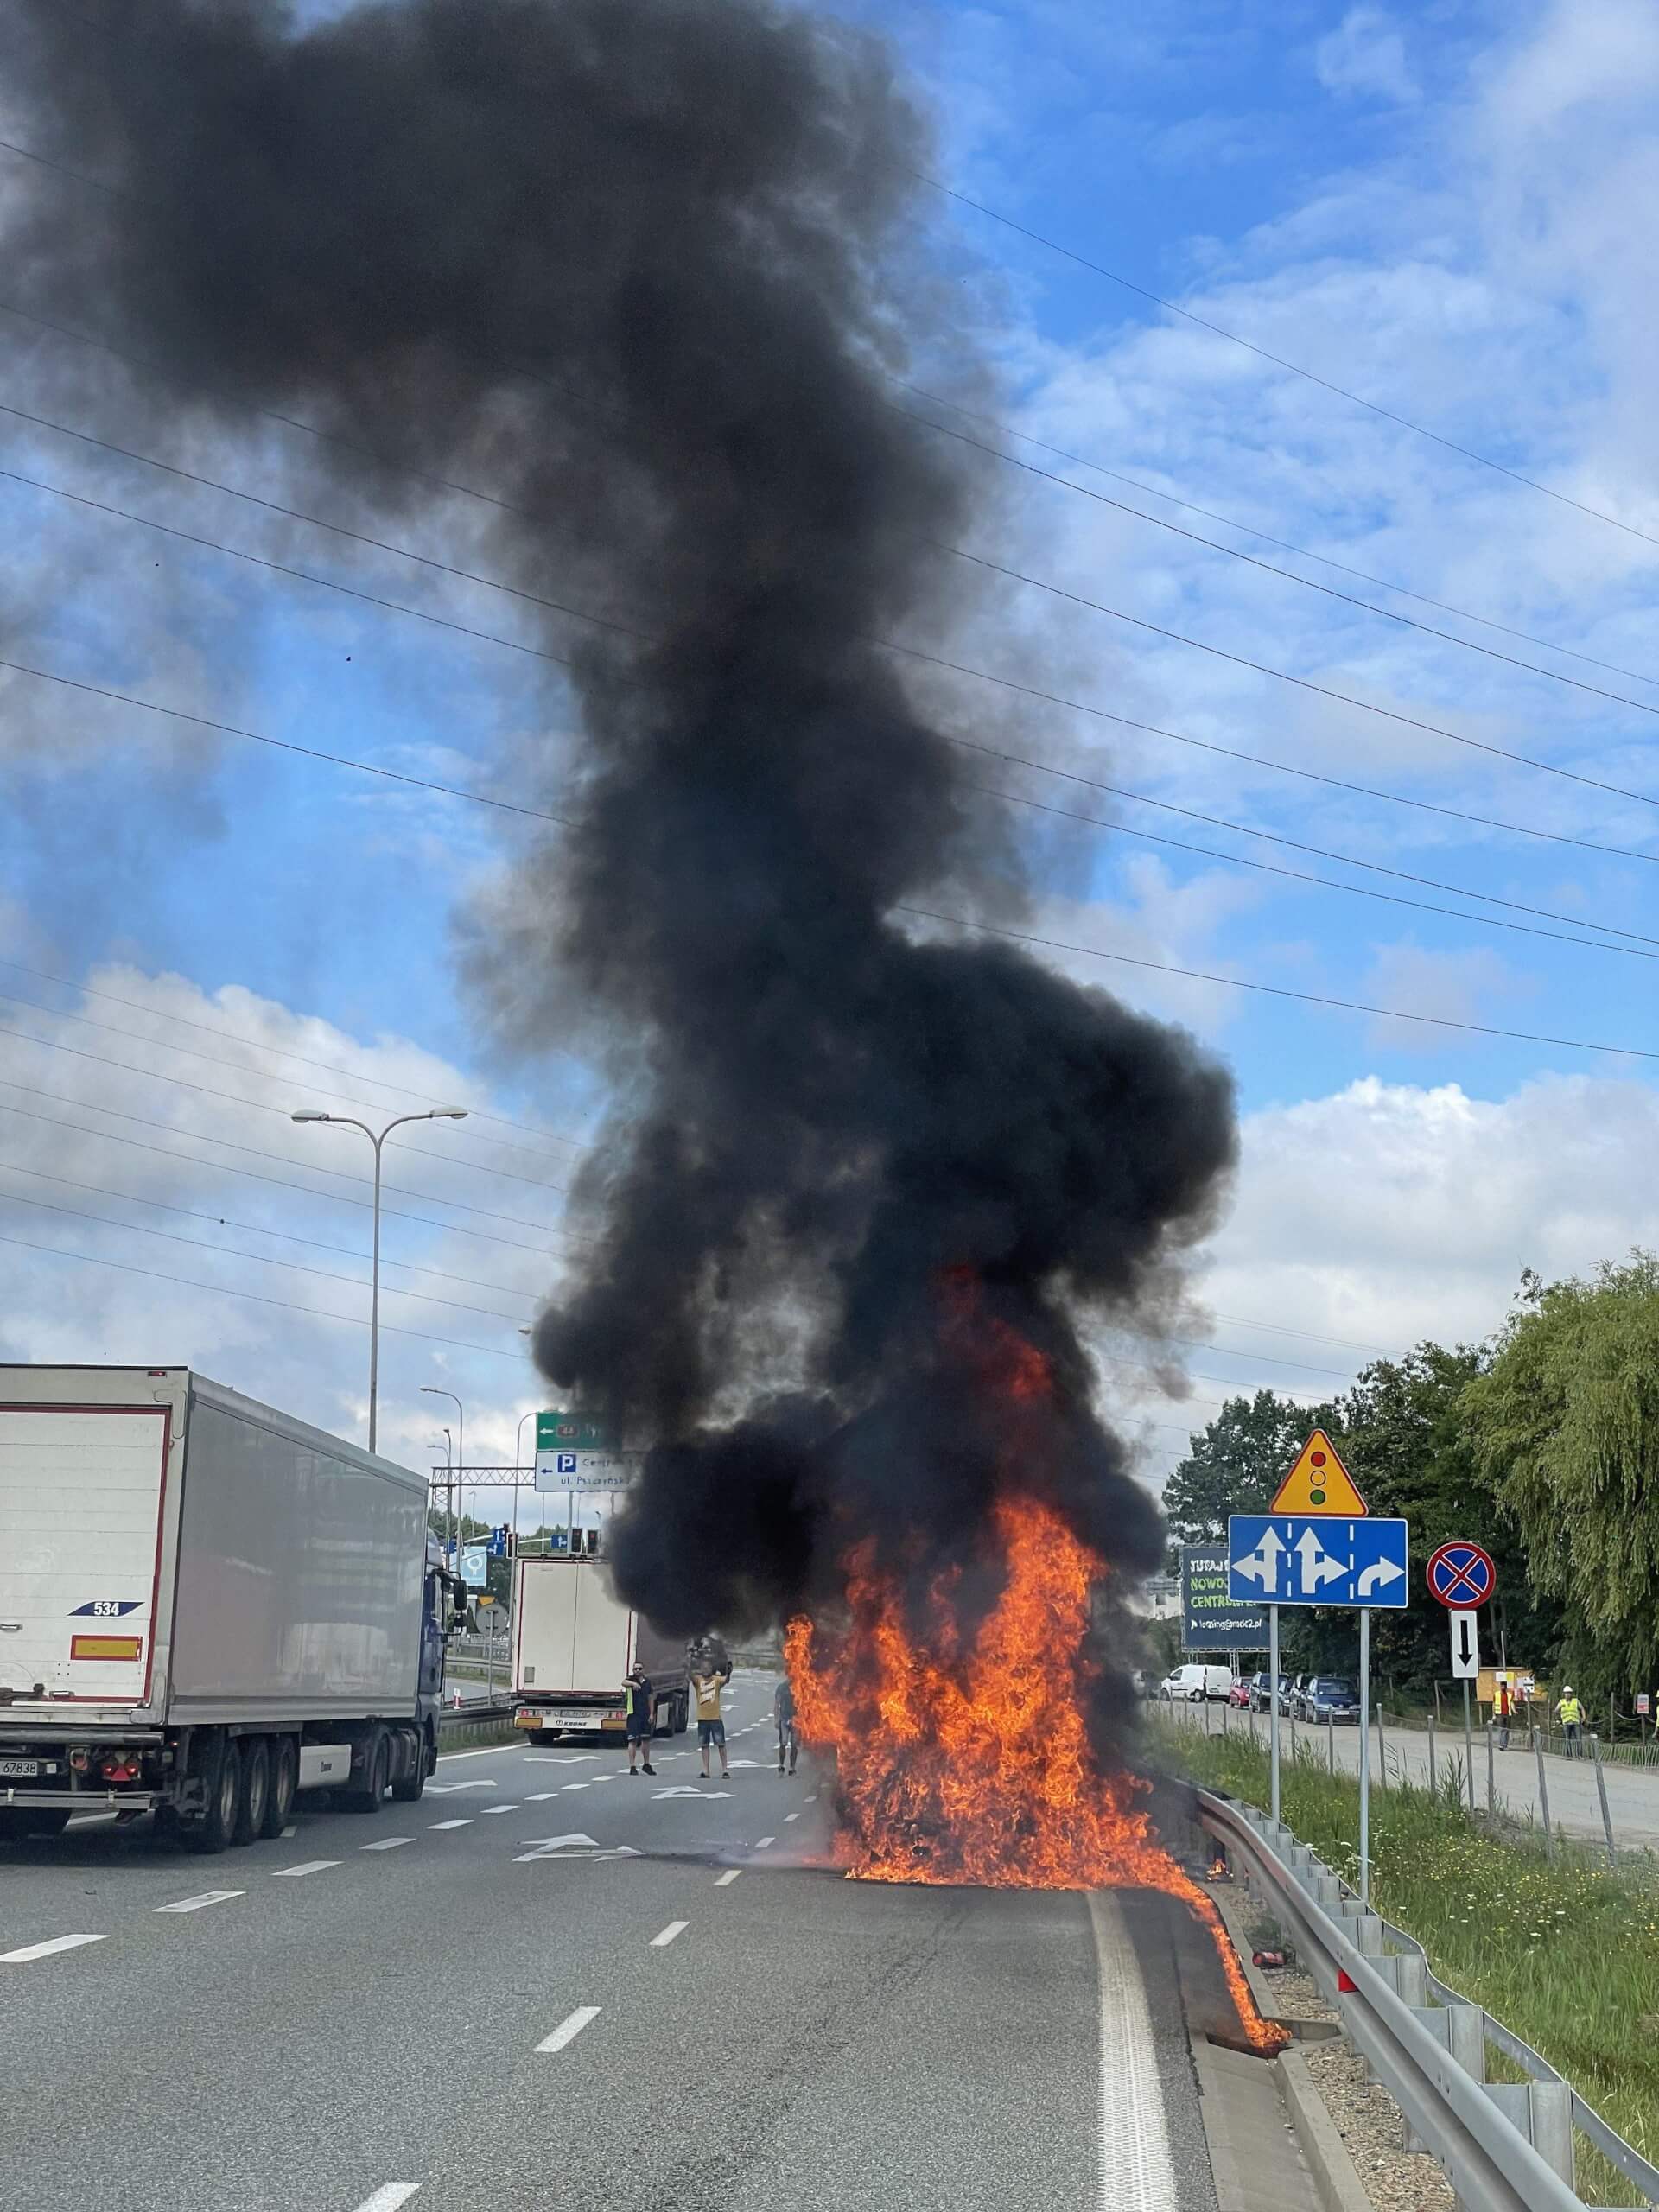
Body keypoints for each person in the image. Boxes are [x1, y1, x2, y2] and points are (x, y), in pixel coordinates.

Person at [692, 1664, 730, 1780]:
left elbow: (726, 1680)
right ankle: (706, 1770)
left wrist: (728, 1672)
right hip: (702, 1718)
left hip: (715, 1718)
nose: (705, 1670)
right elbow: (690, 1676)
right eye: (703, 1668)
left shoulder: (717, 1680)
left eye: (708, 1668)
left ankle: (725, 1769)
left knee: (721, 1744)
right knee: (704, 1745)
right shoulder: (698, 1681)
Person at [623, 1663, 656, 1777]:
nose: (637, 1670)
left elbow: (650, 1698)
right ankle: (632, 1766)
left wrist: (651, 1713)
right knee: (632, 1740)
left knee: (646, 1740)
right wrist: (633, 1684)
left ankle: (646, 1764)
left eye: (640, 1669)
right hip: (633, 1714)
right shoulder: (631, 1679)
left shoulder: (647, 1682)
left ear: (643, 1670)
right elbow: (623, 1682)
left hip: (645, 1714)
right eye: (635, 1669)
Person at [774, 1676, 798, 1776]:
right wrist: (776, 1719)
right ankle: (781, 1765)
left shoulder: (800, 1685)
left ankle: (792, 1767)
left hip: (797, 1719)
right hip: (784, 1718)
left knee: (794, 1744)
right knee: (783, 1742)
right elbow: (777, 1704)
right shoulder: (782, 1687)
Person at [1556, 1683, 1585, 1758]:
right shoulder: (1561, 1702)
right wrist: (1560, 1711)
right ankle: (1568, 1754)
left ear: (1571, 1694)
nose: (1567, 1695)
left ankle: (1580, 1755)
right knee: (1567, 1739)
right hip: (1566, 1722)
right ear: (1564, 1694)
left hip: (1575, 1722)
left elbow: (1582, 1708)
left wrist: (1584, 1717)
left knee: (1578, 1739)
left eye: (1569, 1693)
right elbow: (1556, 1710)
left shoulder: (1575, 1701)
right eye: (1566, 1693)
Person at [1493, 1673, 1513, 1753]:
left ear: (1506, 1687)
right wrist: (1493, 1714)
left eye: (1504, 1686)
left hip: (1507, 1714)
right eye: (1502, 1686)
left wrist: (1514, 1710)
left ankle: (1505, 1744)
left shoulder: (1509, 1694)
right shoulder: (1496, 1694)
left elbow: (1511, 1703)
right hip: (1499, 1714)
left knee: (1506, 1729)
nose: (1503, 1687)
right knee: (1502, 1729)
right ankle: (1501, 1745)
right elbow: (1493, 1704)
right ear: (1500, 1686)